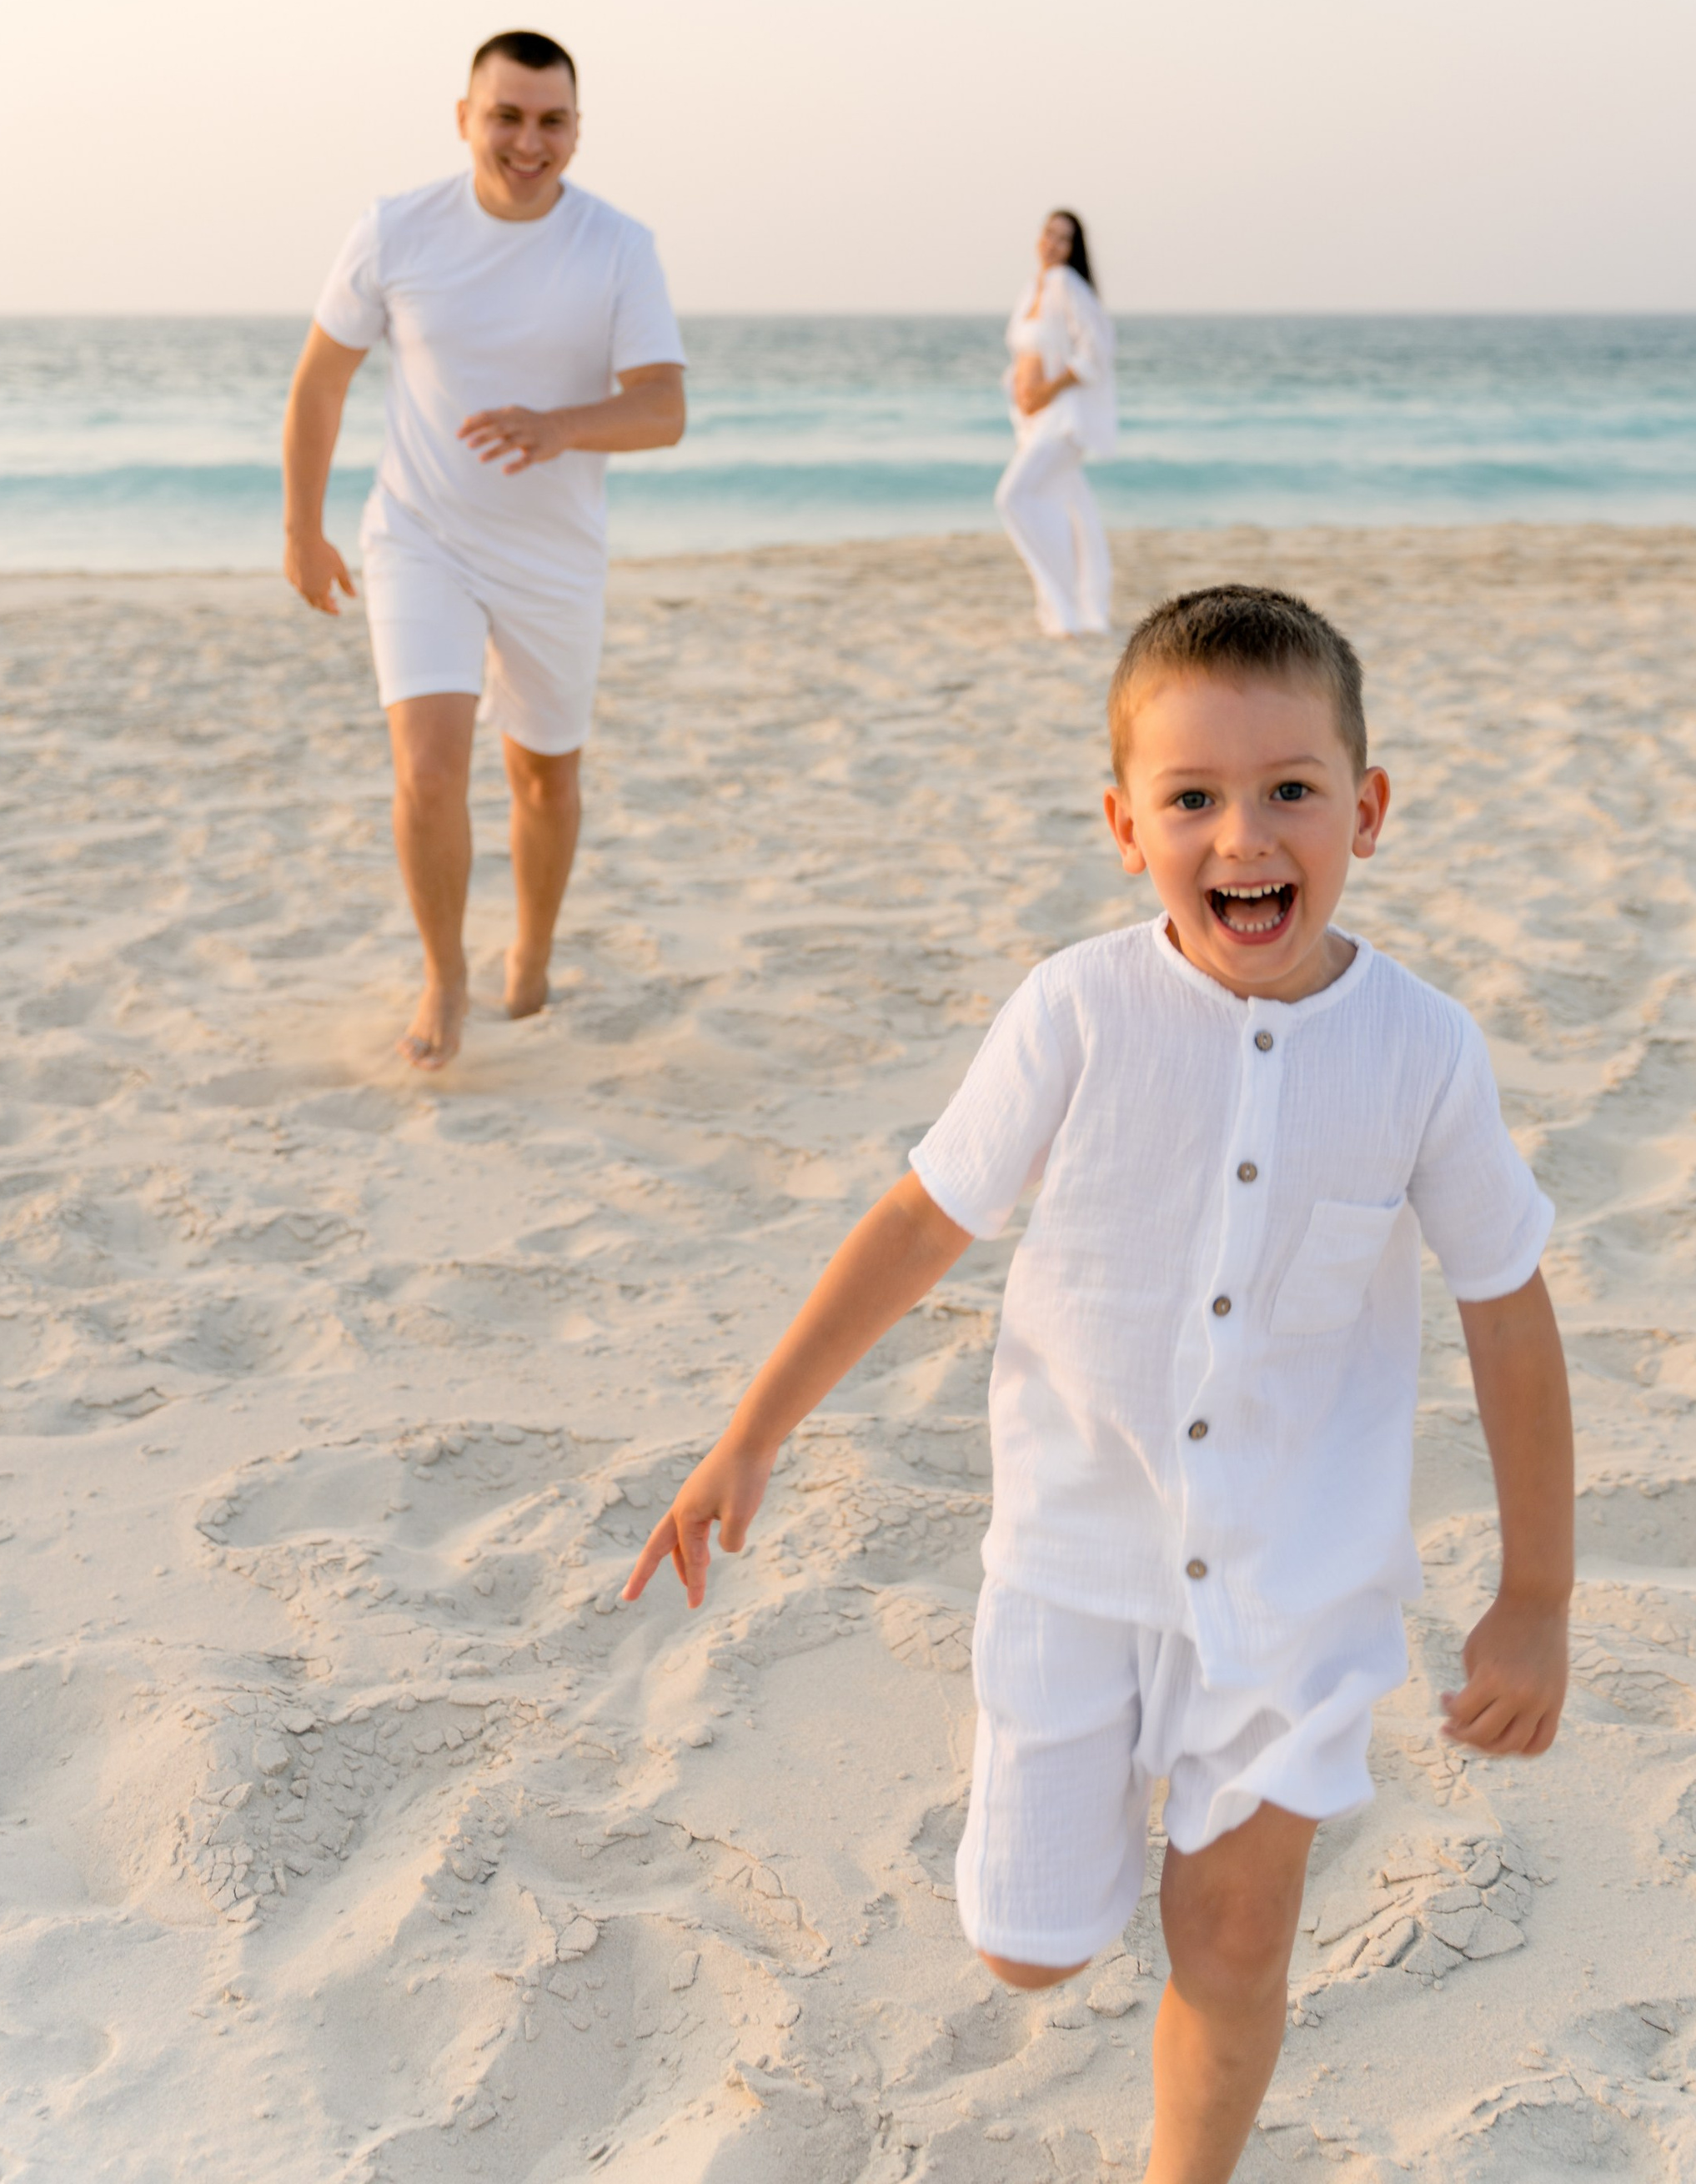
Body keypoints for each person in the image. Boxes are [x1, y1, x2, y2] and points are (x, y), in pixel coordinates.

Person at [624, 582, 1572, 2184]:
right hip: (1076, 1563)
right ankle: (1072, 1833)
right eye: (1191, 797)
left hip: (1299, 1585)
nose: (1243, 834)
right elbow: (921, 1219)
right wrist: (748, 1439)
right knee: (1031, 1949)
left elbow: (1507, 1309)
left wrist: (1535, 1590)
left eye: (1290, 790)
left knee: (1232, 1941)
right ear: (1126, 825)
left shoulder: (1424, 1049)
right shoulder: (1074, 1010)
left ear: (1370, 809)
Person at [280, 33, 687, 1071]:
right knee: (427, 767)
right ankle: (443, 978)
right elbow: (321, 380)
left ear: (577, 132)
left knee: (544, 776)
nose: (527, 140)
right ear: (464, 116)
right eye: (506, 115)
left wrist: (559, 427)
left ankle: (533, 953)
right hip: (419, 536)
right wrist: (303, 526)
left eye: (551, 121)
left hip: (553, 557)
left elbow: (663, 408)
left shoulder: (617, 247)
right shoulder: (395, 230)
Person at [996, 207, 1117, 639]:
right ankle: (1071, 608)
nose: (1053, 244)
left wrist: (1048, 389)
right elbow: (1024, 354)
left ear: (1074, 249)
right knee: (1066, 511)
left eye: (1064, 239)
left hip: (1062, 420)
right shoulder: (1033, 287)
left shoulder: (1068, 285)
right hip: (1034, 422)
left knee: (1012, 498)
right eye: (1049, 234)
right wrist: (1021, 393)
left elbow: (1097, 351)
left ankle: (1064, 608)